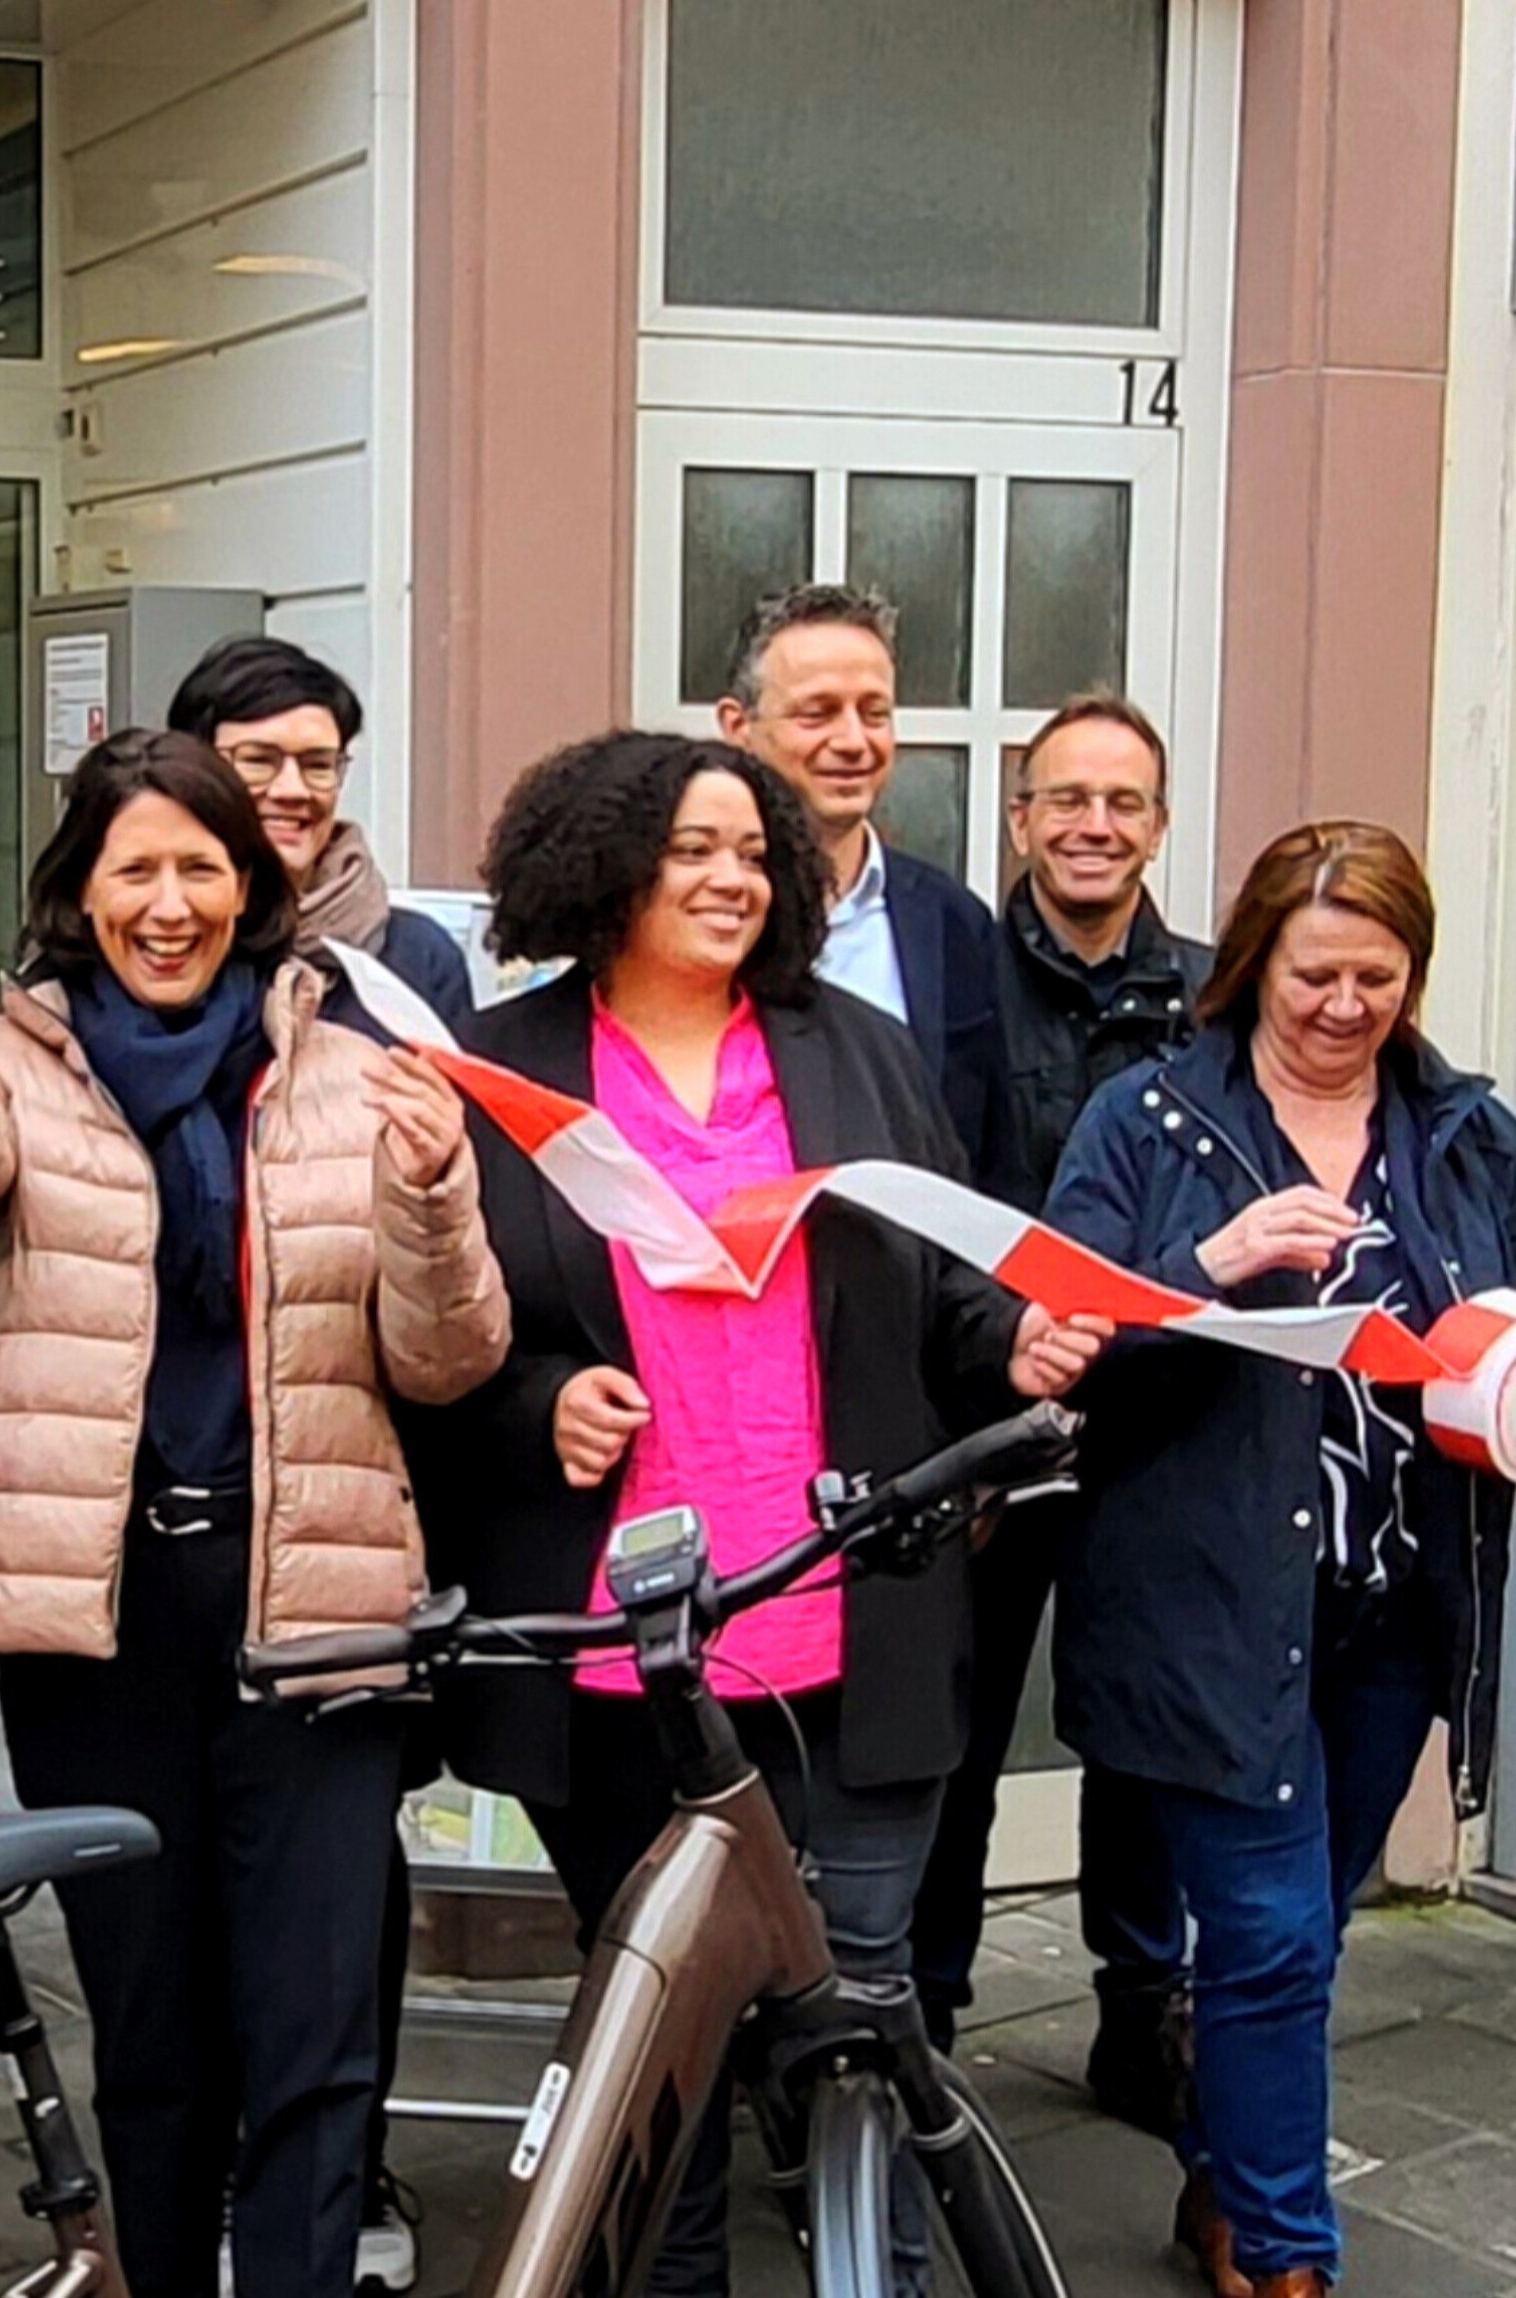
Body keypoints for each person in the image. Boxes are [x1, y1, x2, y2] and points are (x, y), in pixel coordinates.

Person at [412, 731, 1102, 2298]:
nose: (729, 877)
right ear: (601, 868)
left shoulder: (853, 1048)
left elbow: (945, 1297)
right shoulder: (502, 1069)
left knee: (868, 2027)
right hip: (630, 1656)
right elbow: (442, 1341)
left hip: (853, 1618)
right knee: (669, 2055)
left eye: (750, 850)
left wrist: (1018, 1342)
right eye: (688, 850)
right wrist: (541, 1407)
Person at [0, 708, 503, 2298]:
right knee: (151, 2020)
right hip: (96, 1610)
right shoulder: (17, 1062)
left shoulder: (355, 1077)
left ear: (252, 887)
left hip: (313, 1610)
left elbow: (450, 1355)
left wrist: (430, 1197)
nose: (169, 903)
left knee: (316, 2020)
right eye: (135, 867)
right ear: (81, 888)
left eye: (202, 866)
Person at [1043, 821, 1516, 2298]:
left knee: (1298, 1936)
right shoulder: (1148, 1118)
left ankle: (1223, 2183)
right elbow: (1061, 1339)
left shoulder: (1467, 1132)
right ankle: (1289, 2259)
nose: (1344, 1005)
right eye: (1316, 973)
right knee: (1264, 1934)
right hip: (1206, 1606)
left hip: (1393, 1606)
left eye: (1379, 977)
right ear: (1254, 965)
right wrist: (1211, 1266)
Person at [162, 630, 462, 2288]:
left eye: (313, 762)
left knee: (343, 1871)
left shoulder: (403, 955)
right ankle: (208, 2176)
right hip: (190, 1469)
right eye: (253, 756)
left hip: (354, 1464)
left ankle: (342, 2175)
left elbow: (462, 1196)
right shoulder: (140, 926)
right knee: (192, 1873)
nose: (285, 787)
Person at [910, 693, 1203, 2114]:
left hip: (1161, 1432)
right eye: (1065, 798)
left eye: (1124, 802)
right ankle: (927, 2014)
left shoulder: (1217, 997)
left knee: (1140, 1728)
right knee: (951, 1739)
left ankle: (1142, 2008)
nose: (1094, 825)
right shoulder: (954, 990)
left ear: (1158, 823)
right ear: (1019, 817)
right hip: (988, 1422)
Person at [716, 584, 1007, 1181]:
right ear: (737, 726)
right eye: (817, 713)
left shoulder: (954, 926)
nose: (853, 741)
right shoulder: (693, 914)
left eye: (874, 713)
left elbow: (993, 1157)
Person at [168, 633, 472, 1023]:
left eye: (317, 765)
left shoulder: (417, 957)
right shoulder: (156, 943)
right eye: (259, 760)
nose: (293, 790)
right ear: (193, 770)